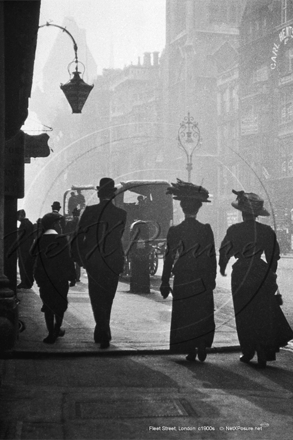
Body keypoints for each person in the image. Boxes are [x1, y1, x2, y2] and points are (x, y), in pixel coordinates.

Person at [219, 190, 293, 368]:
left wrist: (222, 268)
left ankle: (248, 350)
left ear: (242, 213)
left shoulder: (234, 230)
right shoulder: (266, 231)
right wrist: (271, 275)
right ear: (258, 215)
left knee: (243, 313)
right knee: (261, 313)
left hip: (241, 273)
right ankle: (262, 351)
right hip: (260, 273)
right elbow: (273, 257)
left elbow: (224, 252)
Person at [160, 179, 216, 362]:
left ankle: (190, 347)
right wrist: (212, 279)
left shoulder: (175, 230)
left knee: (185, 313)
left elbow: (169, 257)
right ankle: (201, 343)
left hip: (183, 277)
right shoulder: (206, 230)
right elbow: (211, 257)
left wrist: (164, 282)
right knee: (201, 311)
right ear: (198, 208)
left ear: (182, 208)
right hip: (202, 277)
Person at [77, 177, 127, 348]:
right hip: (113, 261)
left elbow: (79, 237)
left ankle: (102, 329)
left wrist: (82, 258)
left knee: (96, 296)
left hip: (94, 261)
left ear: (98, 194)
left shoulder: (89, 212)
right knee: (108, 297)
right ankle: (103, 329)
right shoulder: (121, 214)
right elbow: (118, 238)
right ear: (112, 195)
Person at [31, 212, 76, 344]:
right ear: (54, 224)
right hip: (60, 278)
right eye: (59, 223)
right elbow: (68, 259)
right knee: (60, 305)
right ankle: (57, 329)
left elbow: (32, 254)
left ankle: (51, 332)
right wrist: (72, 277)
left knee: (48, 305)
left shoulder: (40, 239)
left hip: (44, 278)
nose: (61, 226)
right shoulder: (61, 239)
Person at [16, 209, 35, 289]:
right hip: (29, 247)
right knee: (28, 266)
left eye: (17, 216)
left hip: (24, 248)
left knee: (23, 265)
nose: (17, 218)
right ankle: (28, 282)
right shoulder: (29, 223)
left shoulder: (24, 224)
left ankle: (24, 282)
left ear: (21, 216)